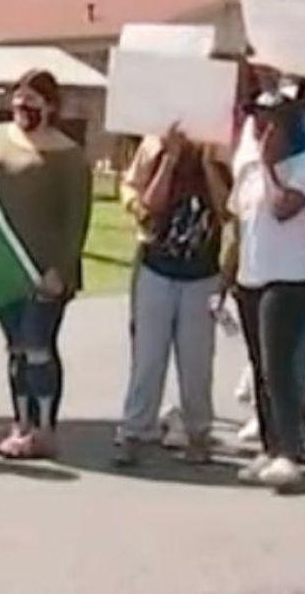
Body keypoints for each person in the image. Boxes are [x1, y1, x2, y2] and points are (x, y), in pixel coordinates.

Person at [0, 70, 92, 460]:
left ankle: (46, 427)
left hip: (47, 272)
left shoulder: (68, 156)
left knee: (37, 345)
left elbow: (76, 218)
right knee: (15, 348)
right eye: (17, 101)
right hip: (4, 268)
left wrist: (60, 269)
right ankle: (21, 424)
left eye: (32, 102)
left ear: (50, 106)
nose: (22, 109)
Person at [112, 127, 233, 467]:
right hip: (156, 267)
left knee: (197, 360)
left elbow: (227, 209)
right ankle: (135, 430)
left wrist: (208, 164)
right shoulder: (154, 145)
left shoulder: (219, 150)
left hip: (202, 273)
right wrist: (170, 158)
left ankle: (198, 433)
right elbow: (148, 204)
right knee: (148, 356)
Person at [231, 96, 305, 490]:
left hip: (290, 279)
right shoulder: (250, 168)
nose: (259, 129)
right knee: (258, 369)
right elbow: (239, 221)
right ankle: (269, 447)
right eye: (256, 121)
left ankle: (289, 451)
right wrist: (226, 277)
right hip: (251, 276)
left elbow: (282, 208)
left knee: (277, 368)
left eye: (269, 123)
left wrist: (269, 165)